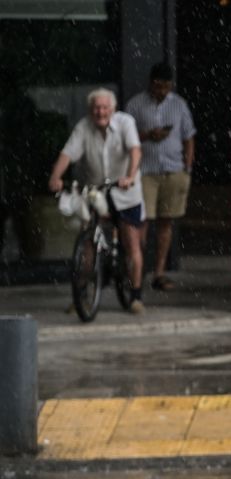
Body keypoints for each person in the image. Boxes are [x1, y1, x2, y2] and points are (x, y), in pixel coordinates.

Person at [48, 88, 147, 313]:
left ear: (112, 109)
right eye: (96, 108)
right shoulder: (84, 127)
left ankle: (136, 295)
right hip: (96, 190)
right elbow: (67, 154)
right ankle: (81, 293)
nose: (100, 112)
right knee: (88, 241)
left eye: (104, 108)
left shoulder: (125, 123)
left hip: (125, 191)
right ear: (90, 110)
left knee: (131, 241)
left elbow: (135, 151)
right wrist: (55, 177)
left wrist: (130, 176)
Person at [126, 62, 196, 292]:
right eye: (157, 86)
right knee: (141, 222)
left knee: (166, 222)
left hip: (173, 169)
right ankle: (137, 271)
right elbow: (125, 137)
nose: (161, 91)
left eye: (165, 86)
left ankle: (159, 273)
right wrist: (148, 135)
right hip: (145, 171)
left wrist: (187, 166)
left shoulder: (179, 104)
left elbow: (189, 136)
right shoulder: (136, 104)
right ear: (150, 83)